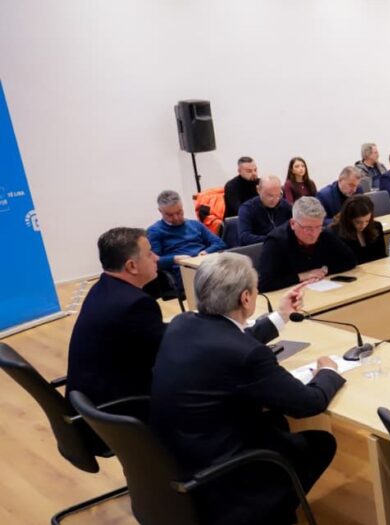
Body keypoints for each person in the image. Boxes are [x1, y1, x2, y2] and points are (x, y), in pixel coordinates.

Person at [150, 253, 345, 525]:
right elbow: (308, 403)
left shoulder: (182, 324)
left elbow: (231, 340)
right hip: (221, 473)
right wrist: (328, 371)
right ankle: (266, 515)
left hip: (179, 457)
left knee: (276, 420)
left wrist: (281, 316)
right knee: (321, 442)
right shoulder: (248, 355)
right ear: (245, 298)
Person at [67, 227, 164, 405]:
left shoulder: (102, 287)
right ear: (131, 266)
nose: (156, 258)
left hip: (89, 401)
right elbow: (167, 352)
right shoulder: (136, 304)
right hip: (121, 406)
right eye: (149, 254)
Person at [258, 196, 356, 292]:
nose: (314, 233)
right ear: (293, 224)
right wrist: (302, 276)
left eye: (318, 227)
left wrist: (325, 270)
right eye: (308, 228)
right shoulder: (276, 242)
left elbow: (350, 259)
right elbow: (264, 284)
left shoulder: (324, 233)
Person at [147, 190, 225, 291]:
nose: (176, 218)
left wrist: (206, 252)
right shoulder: (155, 231)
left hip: (204, 264)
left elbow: (219, 243)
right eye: (169, 215)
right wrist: (174, 259)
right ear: (160, 211)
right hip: (182, 271)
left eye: (179, 212)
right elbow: (153, 262)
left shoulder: (195, 225)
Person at [329, 195, 387, 264]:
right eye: (358, 222)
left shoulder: (376, 227)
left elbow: (382, 256)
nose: (363, 225)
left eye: (367, 221)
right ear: (348, 219)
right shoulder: (335, 233)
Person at [238, 175, 293, 246]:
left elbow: (296, 225)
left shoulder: (284, 204)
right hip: (260, 247)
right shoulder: (247, 209)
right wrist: (272, 239)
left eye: (278, 195)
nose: (274, 199)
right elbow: (244, 238)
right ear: (258, 190)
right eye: (270, 195)